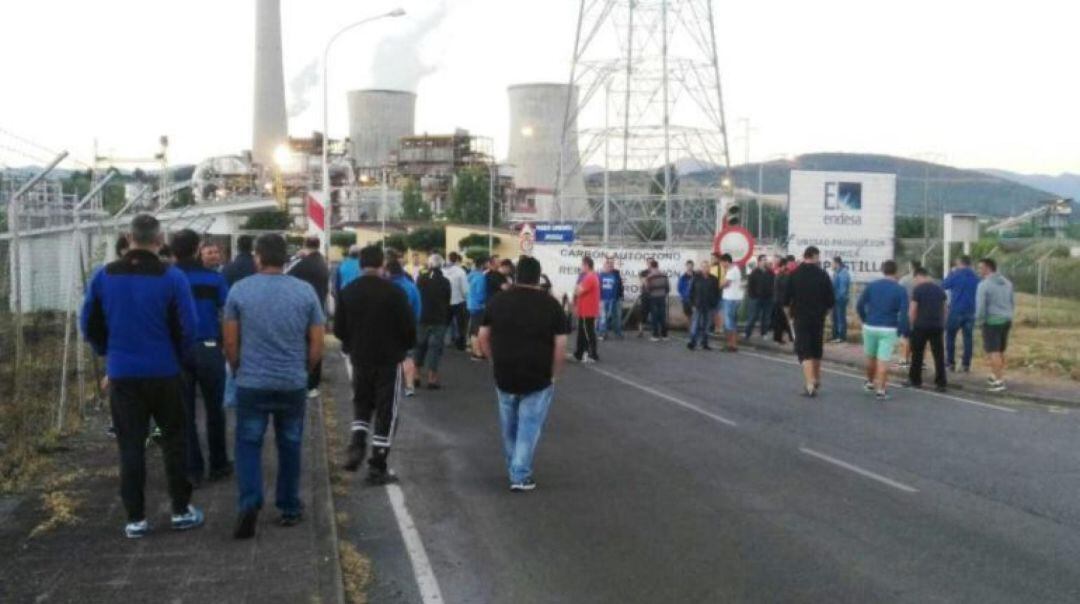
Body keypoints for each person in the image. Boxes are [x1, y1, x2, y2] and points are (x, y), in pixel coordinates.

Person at [80, 214, 204, 539]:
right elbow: (189, 327)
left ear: (128, 237)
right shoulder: (172, 277)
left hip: (123, 375)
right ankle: (180, 511)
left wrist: (109, 353)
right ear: (160, 240)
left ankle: (135, 519)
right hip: (165, 374)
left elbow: (88, 324)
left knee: (131, 445)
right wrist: (178, 357)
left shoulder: (103, 276)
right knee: (173, 441)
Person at [223, 233, 325, 539]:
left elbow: (229, 340)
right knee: (290, 444)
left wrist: (239, 368)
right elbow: (318, 343)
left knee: (248, 444)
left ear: (258, 257)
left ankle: (251, 500)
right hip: (291, 382)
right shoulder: (305, 292)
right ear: (286, 259)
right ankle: (289, 506)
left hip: (252, 382)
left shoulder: (239, 290)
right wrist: (305, 370)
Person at [478, 256, 569, 492]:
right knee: (529, 426)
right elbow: (560, 346)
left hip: (504, 373)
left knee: (508, 425)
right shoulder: (551, 305)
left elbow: (482, 337)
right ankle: (520, 474)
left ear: (516, 275)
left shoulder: (498, 301)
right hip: (538, 375)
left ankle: (514, 467)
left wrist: (493, 361)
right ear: (538, 277)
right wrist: (554, 374)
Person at [334, 245, 417, 484]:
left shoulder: (348, 291)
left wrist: (352, 345)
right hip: (389, 360)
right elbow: (409, 327)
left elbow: (339, 328)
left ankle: (357, 443)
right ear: (382, 264)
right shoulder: (395, 292)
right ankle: (377, 465)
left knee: (362, 403)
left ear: (360, 265)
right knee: (386, 411)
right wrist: (404, 348)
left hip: (360, 357)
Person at [170, 229, 232, 489]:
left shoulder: (169, 278)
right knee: (215, 409)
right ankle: (219, 464)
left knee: (184, 413)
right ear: (197, 249)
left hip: (177, 351)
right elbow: (228, 312)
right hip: (208, 348)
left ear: (174, 251)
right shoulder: (213, 278)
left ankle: (192, 468)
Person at [783, 246, 834, 397]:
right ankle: (816, 378)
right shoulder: (823, 275)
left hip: (800, 317)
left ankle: (810, 384)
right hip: (818, 318)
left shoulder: (794, 274)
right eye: (818, 257)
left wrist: (789, 316)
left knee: (804, 351)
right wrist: (825, 314)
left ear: (805, 256)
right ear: (814, 256)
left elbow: (786, 300)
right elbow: (831, 301)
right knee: (816, 349)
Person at [856, 260, 910, 401]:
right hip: (889, 327)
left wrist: (864, 318)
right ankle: (881, 389)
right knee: (883, 360)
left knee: (870, 357)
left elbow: (859, 305)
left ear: (882, 270)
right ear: (896, 271)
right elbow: (904, 313)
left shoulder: (872, 286)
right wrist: (903, 330)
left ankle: (869, 382)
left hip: (870, 325)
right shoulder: (900, 290)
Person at [287, 236, 330, 398]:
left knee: (301, 345)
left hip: (300, 310)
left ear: (304, 245)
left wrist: (297, 257)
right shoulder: (322, 264)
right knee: (316, 343)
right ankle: (313, 385)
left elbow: (284, 274)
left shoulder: (301, 263)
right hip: (319, 307)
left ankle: (303, 381)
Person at [976, 258, 1015, 393]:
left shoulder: (984, 285)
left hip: (991, 321)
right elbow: (1012, 301)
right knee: (1000, 350)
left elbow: (981, 306)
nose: (979, 271)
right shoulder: (1007, 283)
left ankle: (999, 381)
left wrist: (979, 321)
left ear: (987, 268)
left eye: (980, 268)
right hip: (1006, 319)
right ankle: (995, 374)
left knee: (993, 351)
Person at [907, 267, 948, 392]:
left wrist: (911, 324)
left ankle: (915, 380)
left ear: (918, 276)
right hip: (937, 326)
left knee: (917, 354)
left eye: (915, 279)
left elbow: (913, 310)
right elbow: (945, 309)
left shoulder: (918, 290)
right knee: (939, 355)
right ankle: (941, 383)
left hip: (921, 326)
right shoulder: (939, 289)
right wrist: (942, 323)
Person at [388, 255, 422, 397]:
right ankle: (409, 386)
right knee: (407, 357)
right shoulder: (411, 286)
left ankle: (390, 384)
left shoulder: (386, 287)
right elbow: (419, 308)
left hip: (389, 327)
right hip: (408, 326)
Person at [415, 254, 452, 389]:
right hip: (439, 318)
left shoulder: (421, 279)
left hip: (423, 317)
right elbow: (448, 301)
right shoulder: (445, 281)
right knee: (435, 348)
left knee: (419, 345)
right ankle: (432, 378)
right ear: (441, 265)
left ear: (429, 265)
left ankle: (416, 375)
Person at [942, 255, 979, 373]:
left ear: (960, 263)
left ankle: (950, 363)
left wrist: (951, 273)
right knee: (968, 338)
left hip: (956, 309)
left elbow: (944, 285)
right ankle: (966, 364)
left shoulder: (956, 275)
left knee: (950, 336)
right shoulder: (976, 277)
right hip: (970, 310)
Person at [573, 256, 601, 363]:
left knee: (588, 332)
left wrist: (578, 287)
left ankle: (592, 355)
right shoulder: (589, 277)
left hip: (587, 310)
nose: (581, 267)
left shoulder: (590, 277)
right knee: (582, 332)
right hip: (585, 310)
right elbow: (578, 289)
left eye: (582, 265)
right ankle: (579, 354)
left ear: (586, 265)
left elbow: (578, 291)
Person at [687, 263, 720, 351]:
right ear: (701, 268)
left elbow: (717, 293)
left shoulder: (714, 279)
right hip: (698, 305)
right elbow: (691, 292)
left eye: (707, 267)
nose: (706, 268)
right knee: (696, 324)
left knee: (707, 325)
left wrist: (715, 304)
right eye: (704, 267)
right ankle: (692, 342)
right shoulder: (696, 279)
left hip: (709, 306)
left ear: (709, 268)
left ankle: (704, 343)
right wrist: (692, 304)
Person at [896, 260, 921, 369]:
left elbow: (898, 295)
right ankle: (915, 361)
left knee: (905, 337)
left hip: (906, 311)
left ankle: (903, 360)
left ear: (911, 267)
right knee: (917, 338)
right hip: (920, 311)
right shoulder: (923, 280)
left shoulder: (904, 280)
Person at [443, 252, 470, 351]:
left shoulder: (443, 271)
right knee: (461, 325)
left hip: (445, 301)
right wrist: (466, 299)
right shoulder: (460, 272)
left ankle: (443, 342)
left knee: (445, 323)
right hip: (458, 301)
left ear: (448, 259)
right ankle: (460, 345)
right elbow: (465, 289)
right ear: (458, 260)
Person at [744, 255, 774, 341]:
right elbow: (750, 286)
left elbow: (773, 284)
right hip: (755, 298)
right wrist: (753, 296)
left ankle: (764, 333)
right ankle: (747, 333)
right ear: (759, 261)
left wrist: (772, 295)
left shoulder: (770, 273)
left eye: (766, 260)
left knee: (766, 317)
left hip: (768, 298)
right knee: (753, 316)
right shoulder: (754, 273)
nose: (765, 261)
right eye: (764, 260)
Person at [719, 254, 743, 352]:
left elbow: (725, 284)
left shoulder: (732, 271)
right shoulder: (735, 269)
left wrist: (720, 285)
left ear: (726, 261)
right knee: (732, 322)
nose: (721, 264)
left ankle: (730, 345)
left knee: (729, 323)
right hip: (734, 298)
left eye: (722, 262)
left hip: (730, 299)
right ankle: (733, 344)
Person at [467, 256, 489, 360]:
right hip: (478, 306)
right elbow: (481, 294)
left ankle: (475, 351)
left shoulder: (470, 275)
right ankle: (477, 353)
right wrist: (484, 302)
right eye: (487, 263)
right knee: (476, 330)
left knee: (473, 329)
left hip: (470, 304)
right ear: (482, 264)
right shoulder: (481, 277)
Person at [644, 260, 670, 341]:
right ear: (658, 266)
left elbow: (648, 288)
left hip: (653, 298)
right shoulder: (664, 275)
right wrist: (663, 293)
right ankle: (665, 335)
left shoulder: (649, 277)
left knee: (654, 317)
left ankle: (655, 335)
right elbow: (668, 288)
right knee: (663, 316)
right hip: (662, 297)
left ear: (651, 267)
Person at [598, 257, 624, 339]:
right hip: (603, 299)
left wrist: (617, 297)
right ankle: (603, 333)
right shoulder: (600, 276)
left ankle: (618, 333)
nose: (608, 268)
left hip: (613, 299)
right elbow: (597, 288)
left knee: (615, 317)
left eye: (610, 266)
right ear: (604, 267)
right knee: (603, 317)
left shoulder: (615, 276)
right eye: (607, 266)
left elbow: (617, 288)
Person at [772, 256, 795, 344]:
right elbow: (786, 289)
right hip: (782, 302)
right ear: (783, 266)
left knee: (783, 321)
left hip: (779, 301)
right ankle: (786, 338)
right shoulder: (783, 276)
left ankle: (781, 338)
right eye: (787, 265)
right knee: (785, 320)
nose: (788, 267)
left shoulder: (779, 275)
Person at [830, 256, 852, 343]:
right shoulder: (836, 273)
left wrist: (838, 298)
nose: (831, 265)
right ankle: (835, 336)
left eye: (832, 263)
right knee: (834, 318)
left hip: (840, 300)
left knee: (840, 318)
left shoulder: (843, 273)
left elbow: (843, 289)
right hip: (835, 299)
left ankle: (841, 336)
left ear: (836, 263)